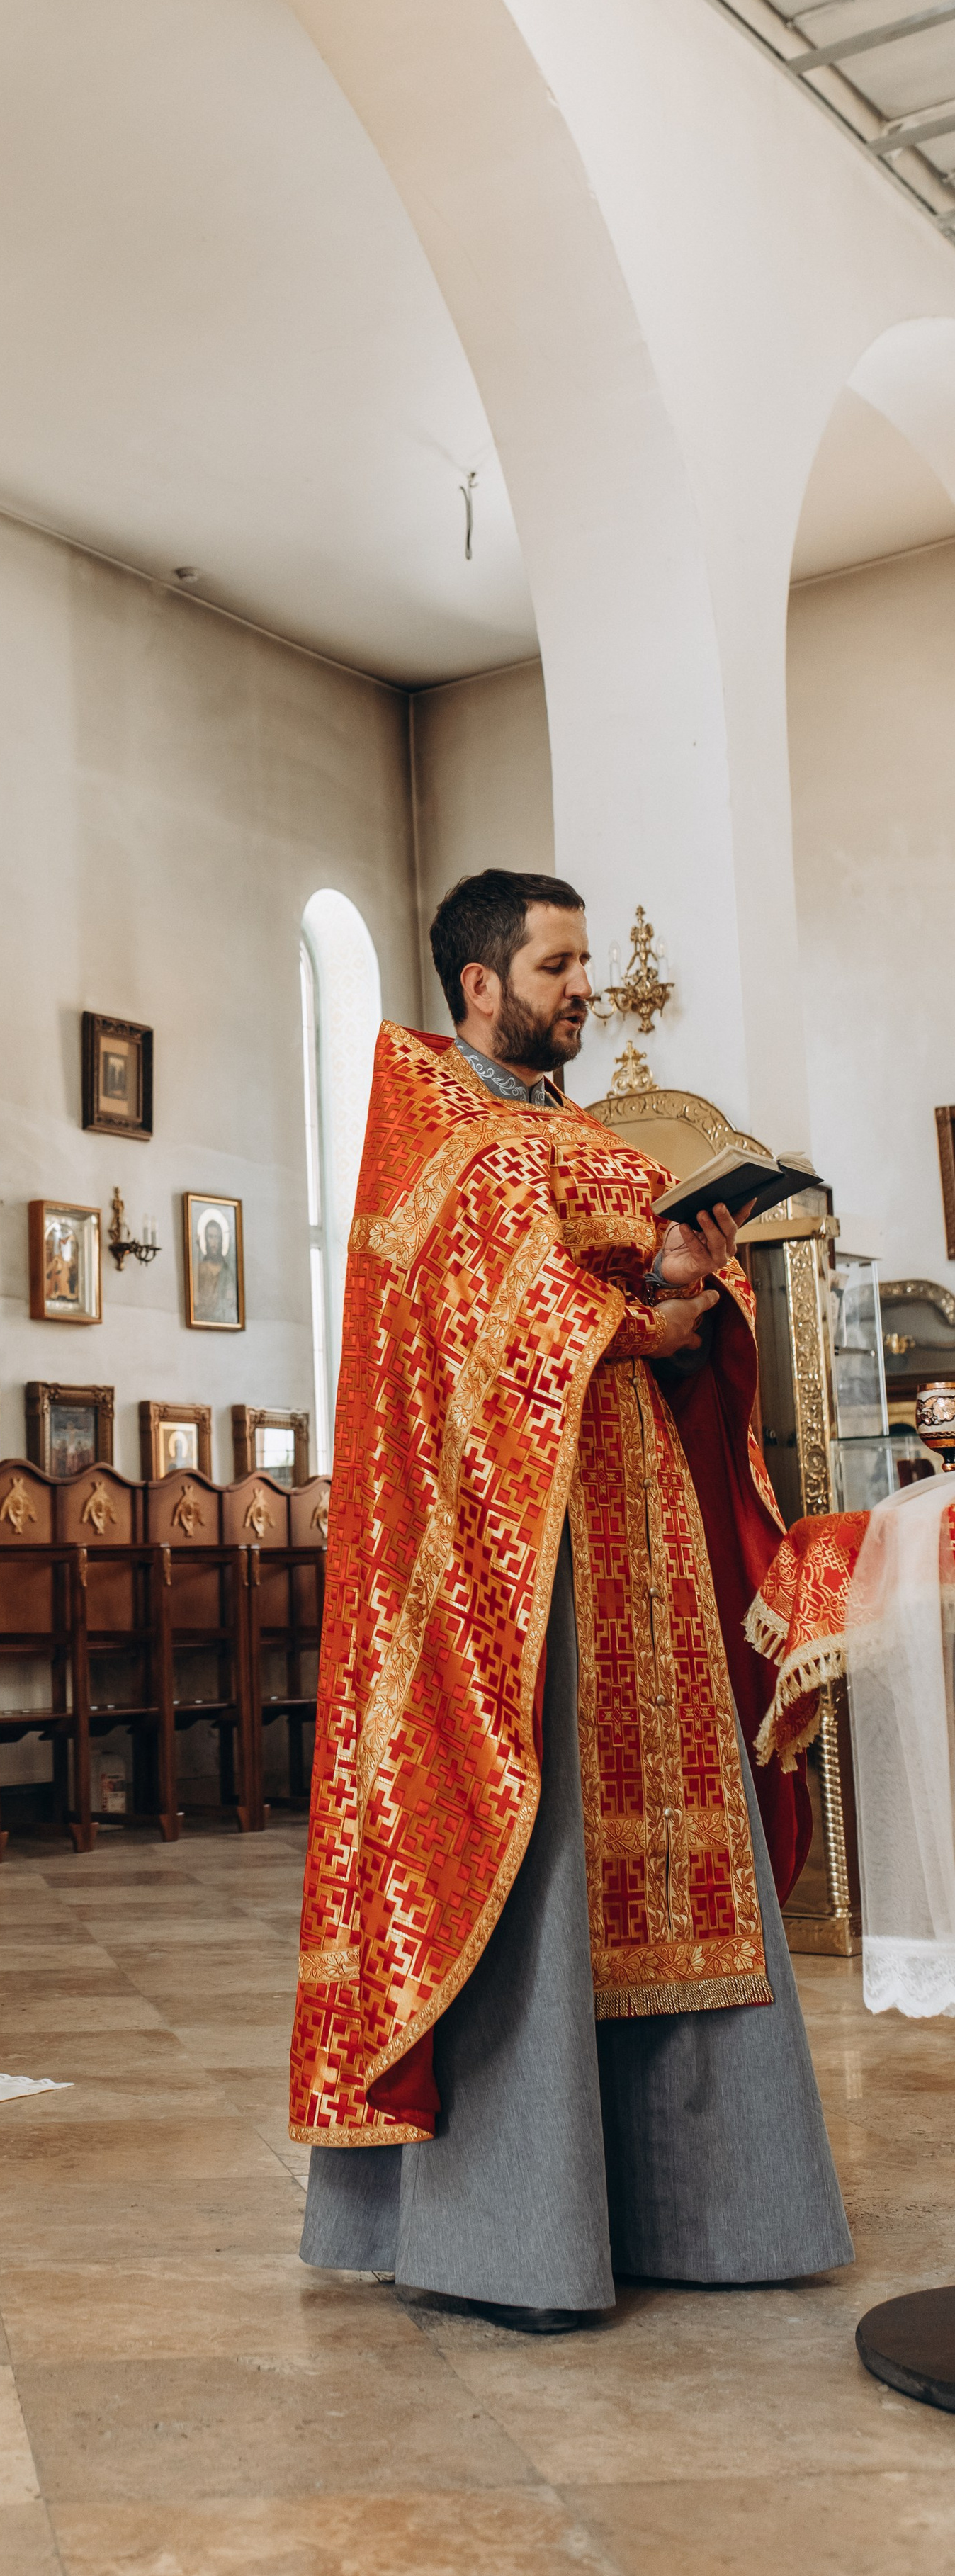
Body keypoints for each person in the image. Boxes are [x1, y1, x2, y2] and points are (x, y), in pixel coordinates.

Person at [295, 867, 850, 2330]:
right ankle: (517, 2241)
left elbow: (627, 1289)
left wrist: (699, 1285)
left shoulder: (577, 1134)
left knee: (677, 1862)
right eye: (556, 966)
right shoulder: (433, 1131)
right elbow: (476, 1312)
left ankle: (708, 2215)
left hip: (640, 1539)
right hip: (510, 1572)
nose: (582, 989)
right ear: (479, 982)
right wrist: (623, 1308)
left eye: (586, 962)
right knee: (539, 1864)